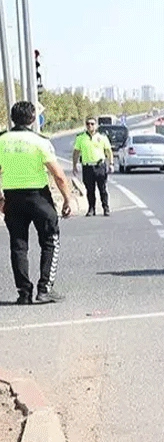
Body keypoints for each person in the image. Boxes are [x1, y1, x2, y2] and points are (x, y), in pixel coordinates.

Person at [0, 101, 74, 304]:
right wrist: (67, 199)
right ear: (33, 119)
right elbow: (58, 175)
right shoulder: (39, 141)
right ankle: (44, 289)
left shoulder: (1, 140)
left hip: (12, 198)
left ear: (12, 118)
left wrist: (0, 199)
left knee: (18, 245)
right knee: (50, 240)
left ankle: (23, 293)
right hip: (38, 198)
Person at [71, 117, 113, 216]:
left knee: (102, 189)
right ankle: (91, 209)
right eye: (88, 124)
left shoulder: (102, 137)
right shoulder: (80, 138)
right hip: (87, 167)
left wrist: (111, 163)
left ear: (96, 125)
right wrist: (74, 165)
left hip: (99, 166)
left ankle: (105, 208)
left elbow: (108, 151)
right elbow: (76, 152)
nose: (90, 126)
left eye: (92, 124)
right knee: (90, 190)